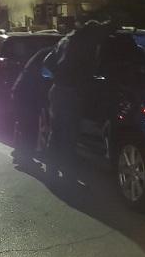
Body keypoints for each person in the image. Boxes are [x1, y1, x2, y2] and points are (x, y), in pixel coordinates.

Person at [43, 20, 116, 176]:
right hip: (71, 93)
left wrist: (59, 75)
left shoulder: (67, 39)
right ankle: (67, 171)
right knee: (69, 133)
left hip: (57, 90)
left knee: (56, 131)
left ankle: (52, 169)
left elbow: (47, 61)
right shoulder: (85, 44)